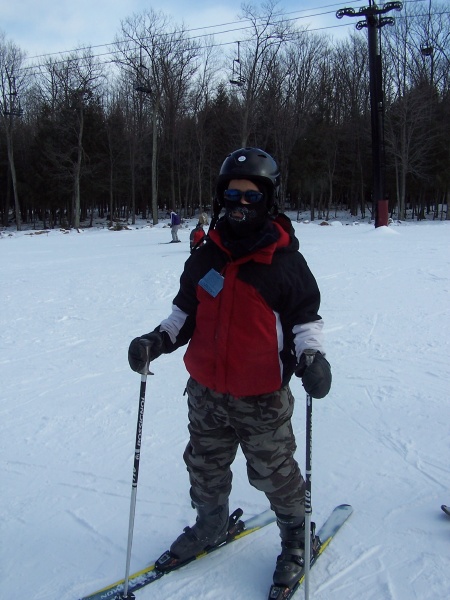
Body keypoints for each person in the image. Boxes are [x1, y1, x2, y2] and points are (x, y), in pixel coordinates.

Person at [128, 147, 331, 591]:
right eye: (232, 195)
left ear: (268, 200)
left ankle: (298, 535)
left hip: (261, 396)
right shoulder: (207, 256)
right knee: (204, 467)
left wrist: (312, 357)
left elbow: (305, 321)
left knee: (274, 473)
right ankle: (211, 522)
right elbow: (185, 312)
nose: (241, 204)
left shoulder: (284, 262)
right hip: (205, 392)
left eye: (251, 196)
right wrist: (156, 340)